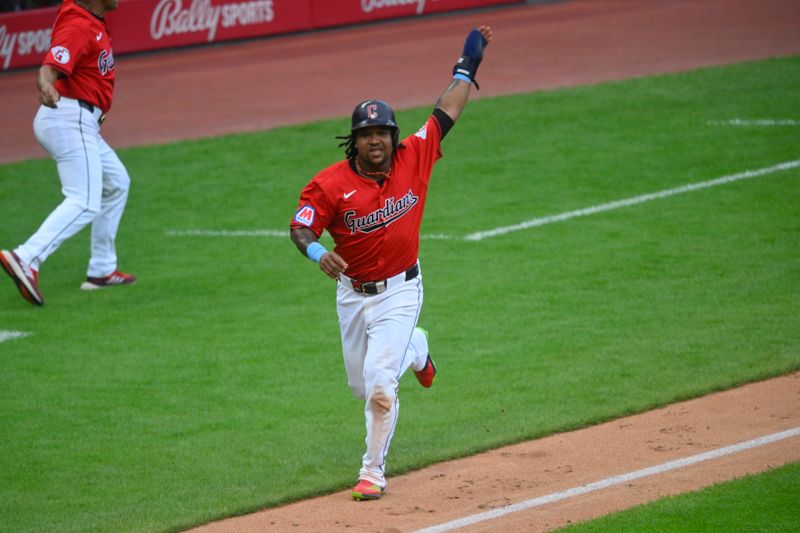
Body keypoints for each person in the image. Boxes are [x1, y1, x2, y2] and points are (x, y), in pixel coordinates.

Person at [290, 25, 492, 501]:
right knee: (363, 389)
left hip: (402, 289)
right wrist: (319, 252)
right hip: (352, 295)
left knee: (382, 388)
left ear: (394, 136)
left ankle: (372, 472)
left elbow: (451, 106)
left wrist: (469, 62)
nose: (376, 140)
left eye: (383, 132)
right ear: (353, 141)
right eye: (367, 134)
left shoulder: (414, 155)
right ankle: (417, 349)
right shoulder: (329, 184)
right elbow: (300, 227)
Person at [1, 0, 135, 306]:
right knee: (85, 200)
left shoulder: (91, 20)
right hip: (70, 118)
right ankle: (26, 257)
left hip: (80, 121)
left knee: (116, 182)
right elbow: (49, 68)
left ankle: (102, 269)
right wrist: (46, 84)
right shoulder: (78, 25)